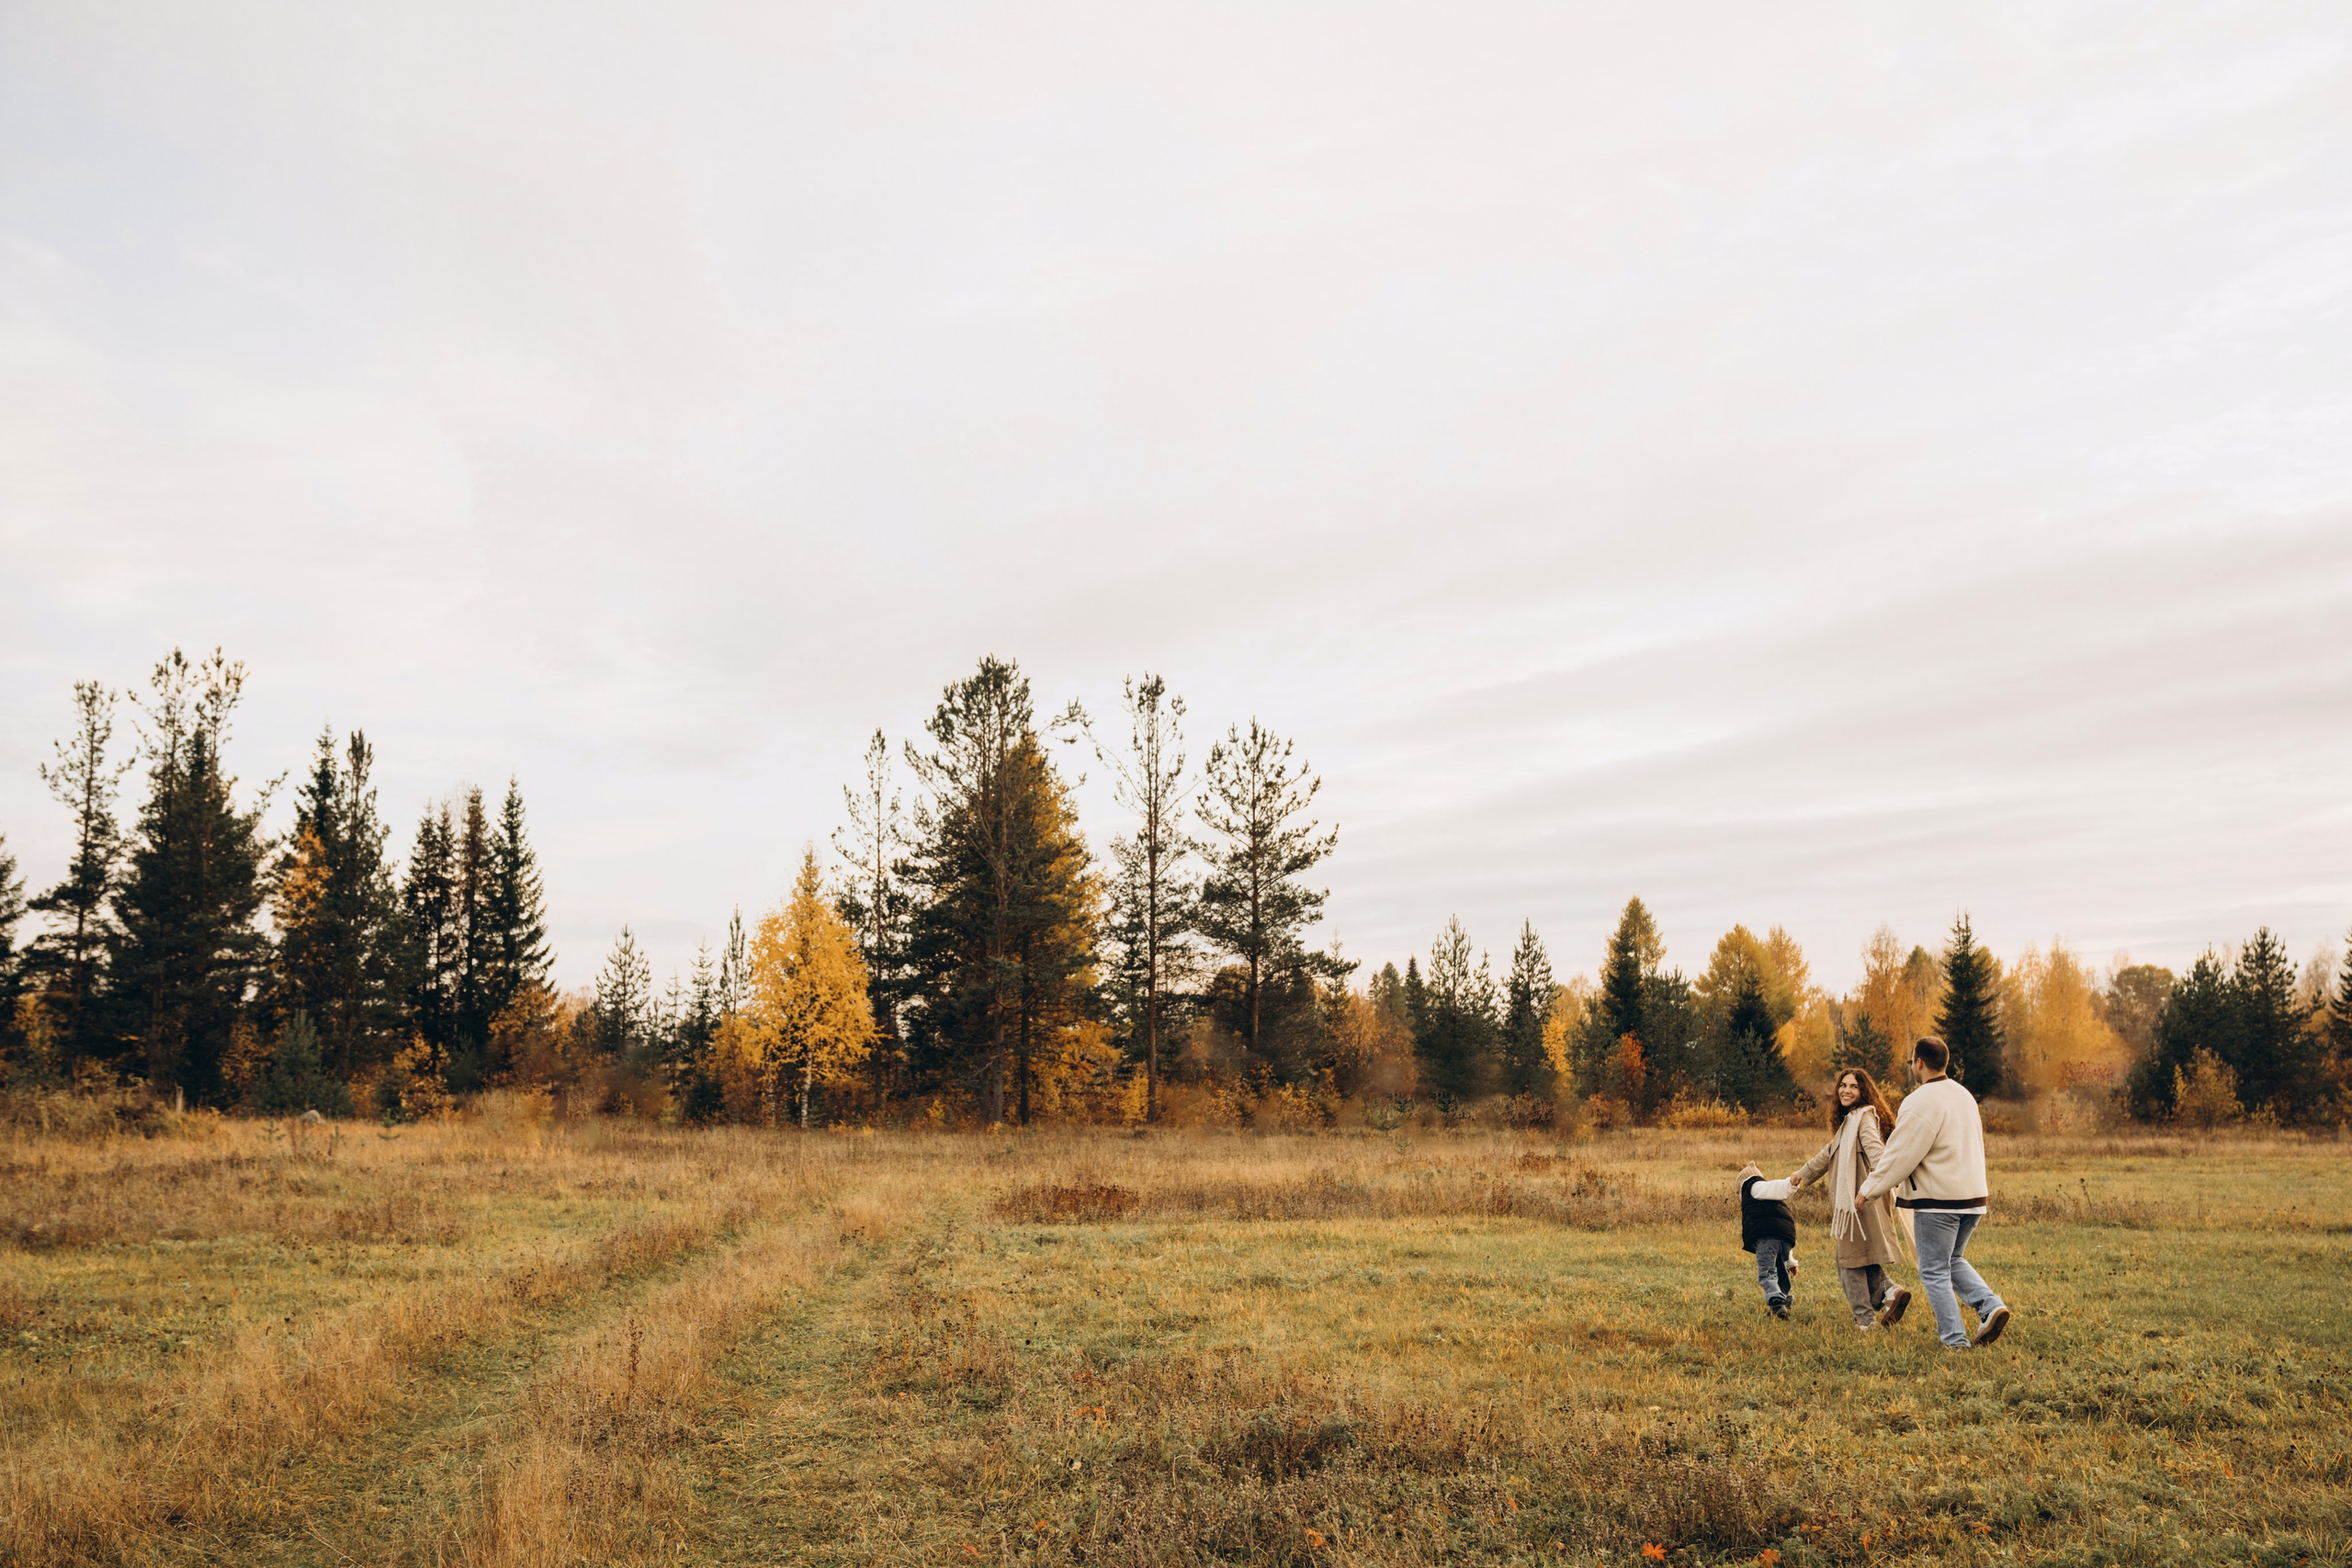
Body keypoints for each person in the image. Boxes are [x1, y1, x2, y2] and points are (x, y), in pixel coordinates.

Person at [1858, 1035, 2011, 1349]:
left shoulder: (1920, 1100)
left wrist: (1869, 1189)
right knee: (1952, 1259)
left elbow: (1901, 1153)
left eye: (1911, 1062)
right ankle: (1990, 1305)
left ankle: (1954, 1341)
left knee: (1933, 1271)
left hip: (1938, 1200)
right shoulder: (1964, 1096)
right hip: (1972, 1199)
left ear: (1920, 1063)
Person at [1784, 1067, 1913, 1331]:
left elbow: (1878, 1154)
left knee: (1849, 1260)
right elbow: (1827, 1154)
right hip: (1855, 1202)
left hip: (1860, 1201)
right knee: (1860, 1257)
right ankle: (1889, 1292)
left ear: (1863, 1092)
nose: (1846, 1090)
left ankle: (1866, 1319)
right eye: (1843, 1085)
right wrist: (1800, 1175)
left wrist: (1881, 1183)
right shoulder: (1849, 1121)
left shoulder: (1864, 1118)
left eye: (1854, 1086)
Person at [1736, 1161, 1800, 1319]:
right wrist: (1791, 1262)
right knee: (1780, 1271)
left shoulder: (1754, 1187)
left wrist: (1789, 1184)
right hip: (1784, 1238)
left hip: (1766, 1238)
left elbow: (1776, 1187)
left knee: (1767, 1271)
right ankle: (1783, 1302)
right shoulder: (1772, 1202)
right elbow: (1780, 1231)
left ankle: (1777, 1304)